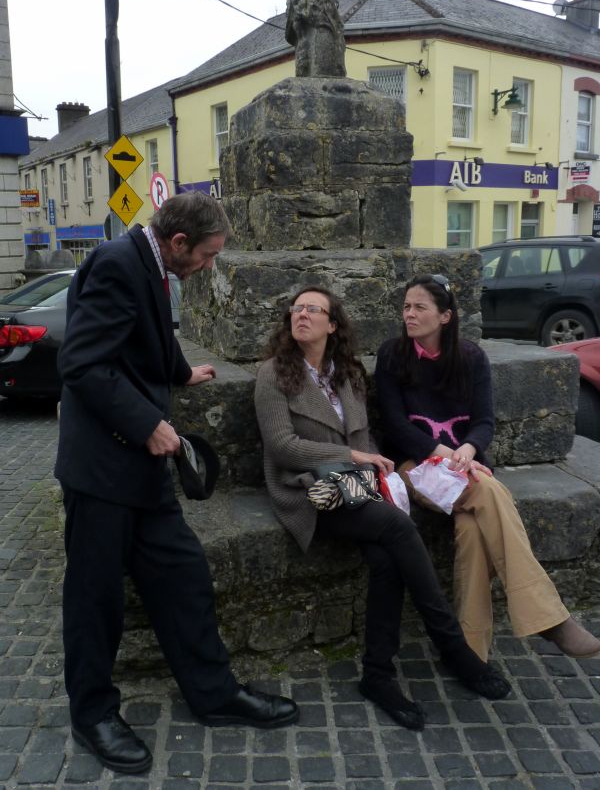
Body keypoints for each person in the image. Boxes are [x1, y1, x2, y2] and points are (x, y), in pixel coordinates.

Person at [55, 192, 298, 775]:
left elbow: (142, 334)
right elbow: (83, 363)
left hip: (140, 471)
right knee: (96, 600)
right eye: (208, 255)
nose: (210, 266)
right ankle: (91, 713)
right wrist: (147, 425)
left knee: (184, 576)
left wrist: (178, 371)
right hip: (103, 470)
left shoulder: (152, 264)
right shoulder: (116, 261)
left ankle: (214, 695)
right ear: (179, 242)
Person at [254, 286, 511, 733]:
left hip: (357, 489)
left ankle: (378, 676)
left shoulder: (347, 372)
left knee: (387, 560)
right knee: (396, 527)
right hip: (311, 491)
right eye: (296, 308)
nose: (302, 315)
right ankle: (452, 645)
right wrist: (356, 461)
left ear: (332, 324)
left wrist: (373, 467)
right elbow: (282, 446)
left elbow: (365, 436)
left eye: (313, 309)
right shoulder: (273, 374)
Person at [375, 273, 600, 663]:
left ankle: (469, 649)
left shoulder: (471, 358)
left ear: (445, 316)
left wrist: (469, 447)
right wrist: (444, 453)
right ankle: (547, 616)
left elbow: (484, 421)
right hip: (416, 466)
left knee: (473, 529)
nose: (409, 314)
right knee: (489, 491)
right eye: (406, 306)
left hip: (466, 465)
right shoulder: (393, 355)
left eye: (419, 307)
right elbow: (396, 426)